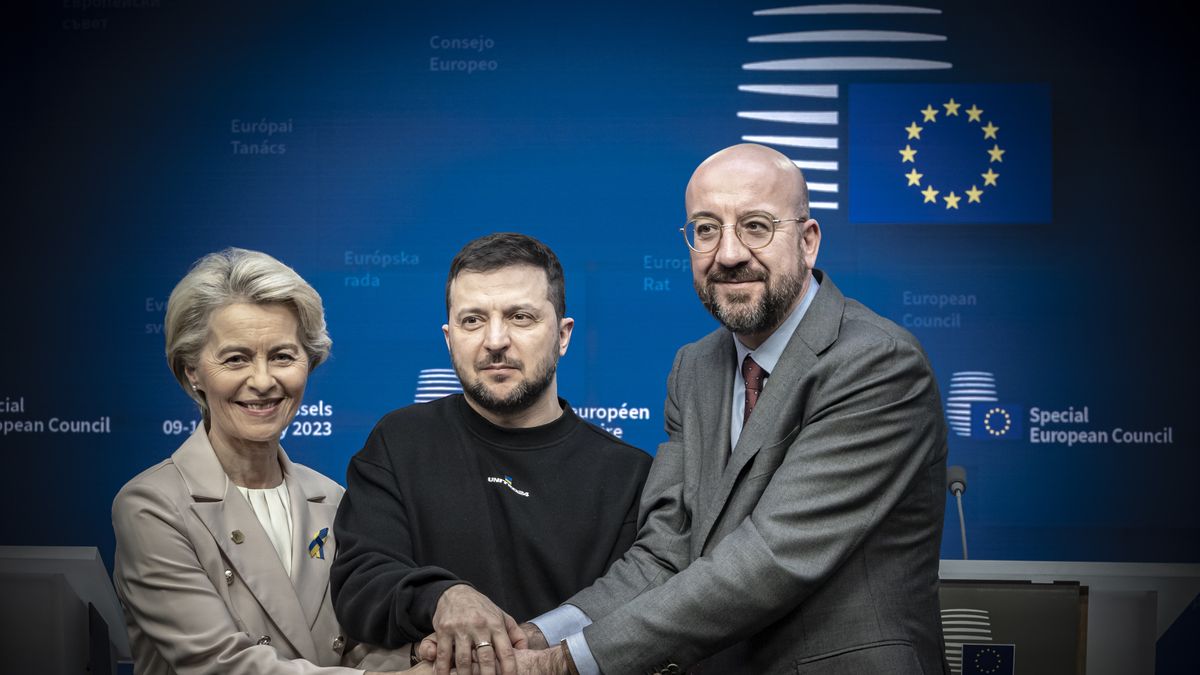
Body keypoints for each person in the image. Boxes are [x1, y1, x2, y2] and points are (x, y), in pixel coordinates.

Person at [518, 144, 950, 674]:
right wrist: (533, 639)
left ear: (808, 241)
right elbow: (664, 554)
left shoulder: (876, 362)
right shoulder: (693, 367)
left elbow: (771, 557)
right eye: (705, 229)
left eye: (756, 226)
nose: (728, 254)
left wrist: (569, 663)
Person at [331, 233, 652, 675]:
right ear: (449, 338)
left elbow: (631, 621)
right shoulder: (399, 440)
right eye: (472, 321)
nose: (495, 340)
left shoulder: (627, 474)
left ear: (563, 335)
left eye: (520, 317)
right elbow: (358, 581)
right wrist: (444, 596)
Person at [112, 248, 420, 675]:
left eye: (282, 355)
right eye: (236, 358)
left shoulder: (334, 498)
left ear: (308, 364)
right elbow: (221, 664)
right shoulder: (152, 506)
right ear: (191, 372)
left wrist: (429, 658)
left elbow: (359, 644)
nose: (262, 381)